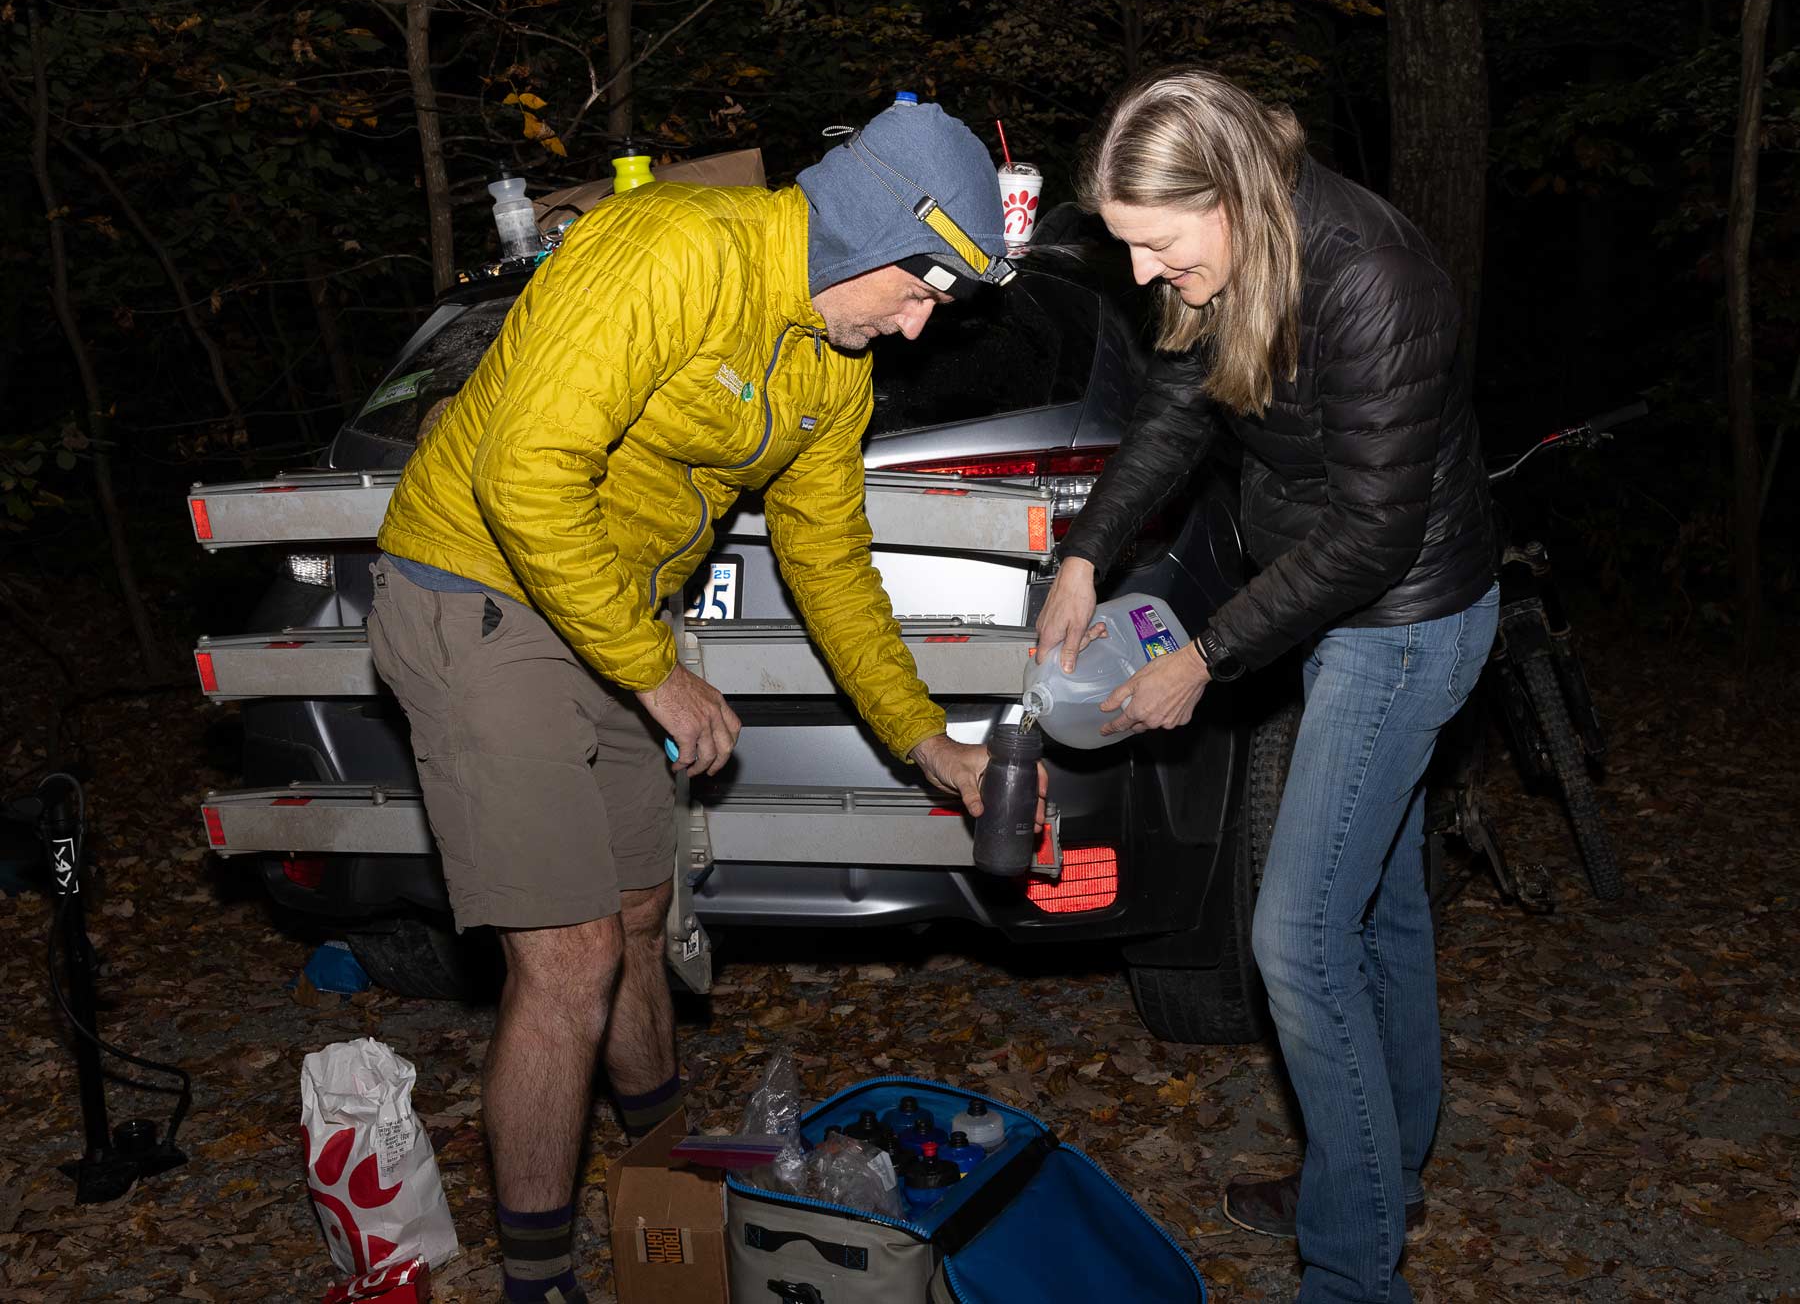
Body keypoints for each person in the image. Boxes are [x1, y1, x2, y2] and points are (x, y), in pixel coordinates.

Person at [366, 100, 1040, 1304]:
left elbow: (828, 558)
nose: (919, 319)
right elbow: (524, 471)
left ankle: (660, 1195)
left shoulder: (833, 370)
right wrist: (654, 666)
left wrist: (928, 742)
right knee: (566, 957)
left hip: (608, 620)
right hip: (476, 590)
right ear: (862, 232)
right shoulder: (671, 250)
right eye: (920, 283)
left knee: (632, 919)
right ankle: (539, 1278)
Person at [1038, 68, 1499, 1304]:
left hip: (1403, 623)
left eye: (1156, 243)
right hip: (1325, 608)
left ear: (1231, 192)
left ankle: (1352, 1276)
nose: (1140, 274)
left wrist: (1203, 655)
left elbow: (1371, 532)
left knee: (1293, 939)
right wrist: (1087, 549)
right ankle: (1374, 1172)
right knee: (1378, 915)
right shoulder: (1229, 262)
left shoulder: (1374, 281)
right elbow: (1179, 409)